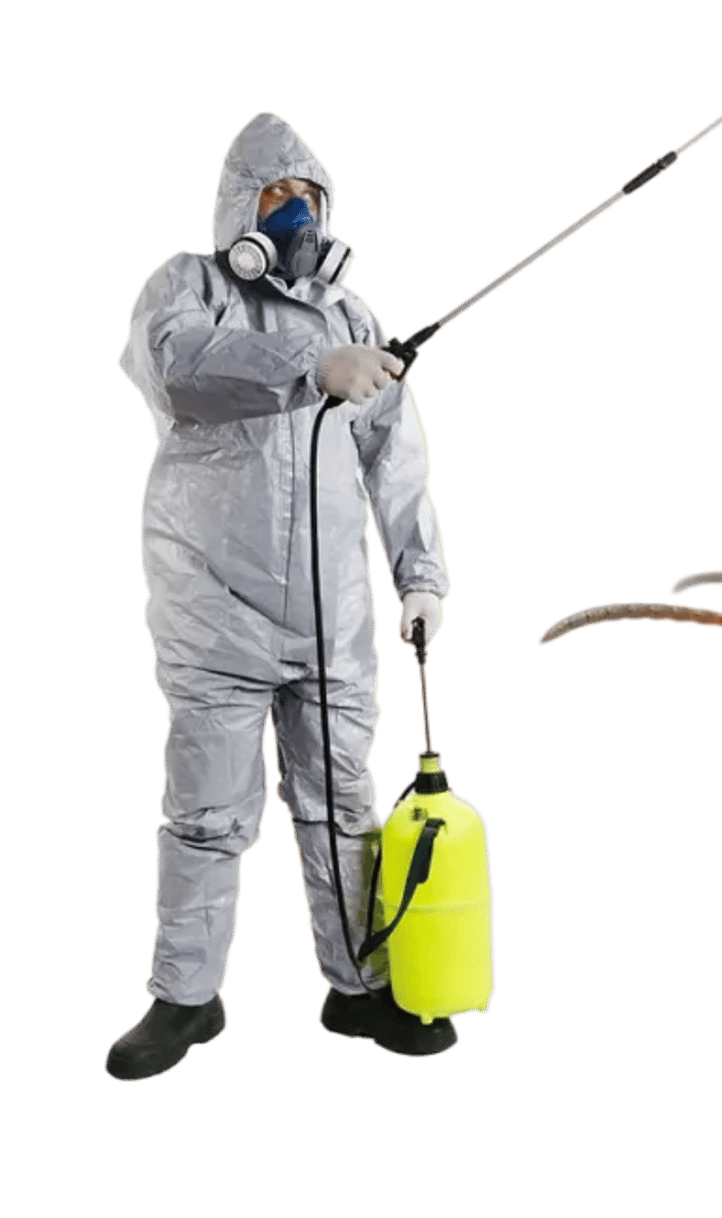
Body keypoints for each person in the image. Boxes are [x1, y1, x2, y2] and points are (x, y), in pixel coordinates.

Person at [108, 112, 455, 1081]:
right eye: (278, 195)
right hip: (215, 607)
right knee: (209, 809)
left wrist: (418, 573)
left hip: (332, 614)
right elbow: (178, 368)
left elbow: (398, 458)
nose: (299, 212)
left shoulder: (354, 318)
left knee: (344, 802)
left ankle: (357, 984)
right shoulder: (187, 286)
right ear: (239, 206)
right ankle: (185, 996)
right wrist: (306, 369)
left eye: (312, 196)